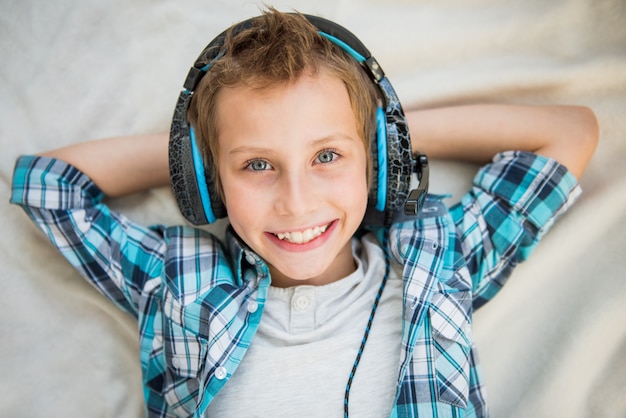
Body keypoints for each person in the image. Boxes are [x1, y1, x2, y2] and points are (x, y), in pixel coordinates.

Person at [10, 8, 598, 418]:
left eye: (326, 155)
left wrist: (387, 135)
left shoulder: (438, 253)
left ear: (376, 161)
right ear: (209, 178)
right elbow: (49, 185)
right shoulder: (178, 276)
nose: (296, 200)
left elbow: (570, 132)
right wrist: (194, 152)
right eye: (258, 166)